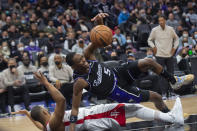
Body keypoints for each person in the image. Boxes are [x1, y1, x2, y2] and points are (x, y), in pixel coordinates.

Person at [65, 13, 190, 130]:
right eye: (80, 61)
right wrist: (71, 128)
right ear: (74, 67)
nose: (84, 61)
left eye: (82, 58)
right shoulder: (80, 82)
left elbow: (100, 39)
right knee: (156, 97)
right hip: (117, 90)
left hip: (118, 72)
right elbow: (75, 109)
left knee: (148, 61)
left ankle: (173, 81)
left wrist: (99, 23)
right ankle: (170, 117)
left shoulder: (87, 55)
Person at [12, 72, 184, 131]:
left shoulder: (47, 128)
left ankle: (170, 118)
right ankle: (172, 118)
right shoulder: (53, 121)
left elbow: (39, 126)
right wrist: (46, 83)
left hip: (92, 119)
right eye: (44, 109)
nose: (46, 110)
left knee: (131, 110)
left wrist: (27, 114)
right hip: (95, 117)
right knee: (133, 108)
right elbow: (62, 100)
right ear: (44, 112)